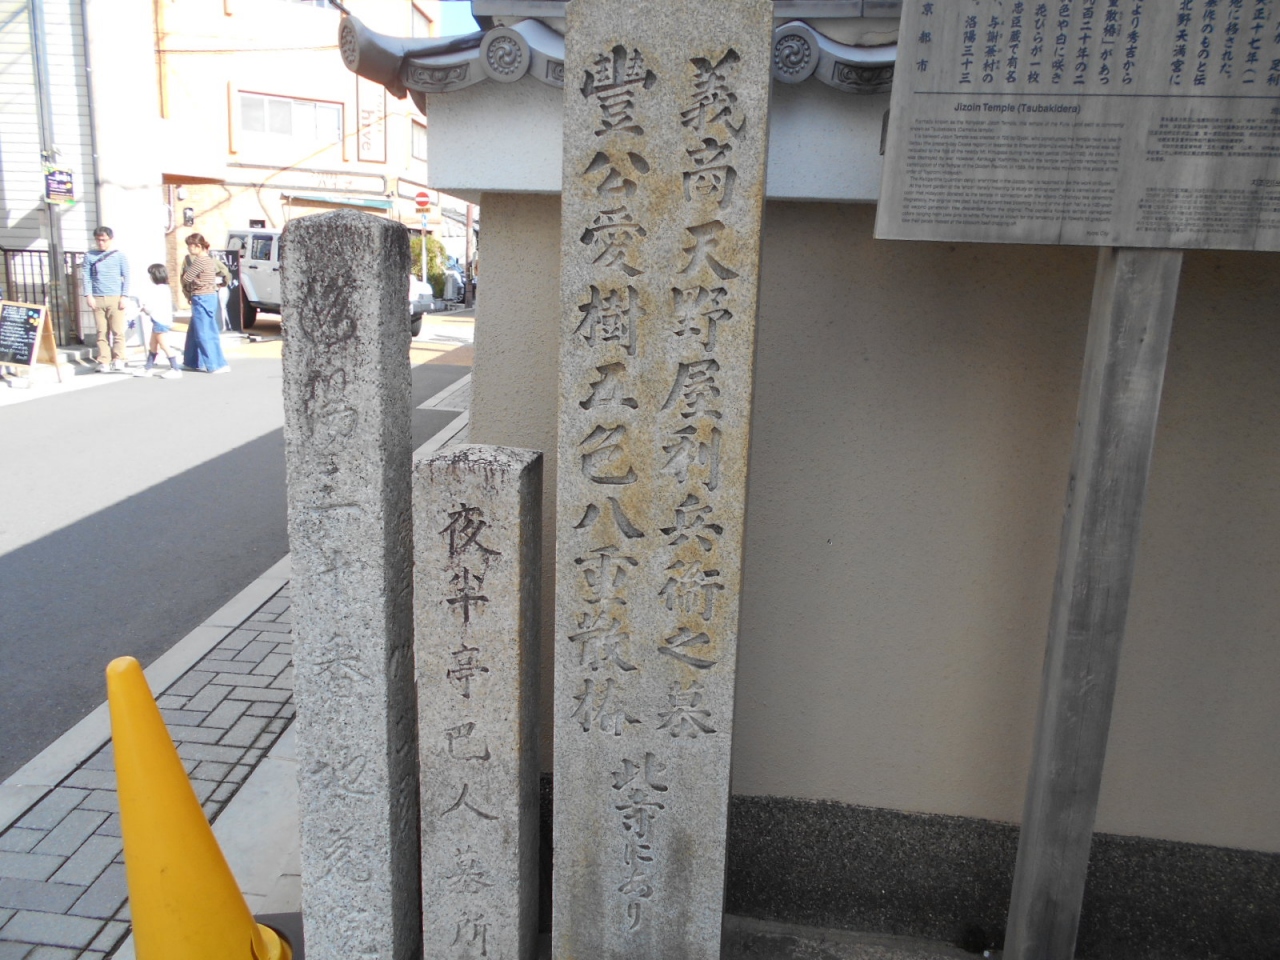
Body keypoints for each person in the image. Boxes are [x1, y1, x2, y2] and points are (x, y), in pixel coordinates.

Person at [82, 226, 131, 373]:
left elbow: (126, 276)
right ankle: (104, 360)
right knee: (101, 331)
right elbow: (86, 277)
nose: (101, 243)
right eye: (98, 240)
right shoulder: (89, 256)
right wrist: (88, 295)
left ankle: (119, 358)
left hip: (115, 297)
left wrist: (124, 296)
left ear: (110, 239)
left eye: (104, 240)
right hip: (97, 297)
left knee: (117, 330)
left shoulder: (119, 256)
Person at [180, 233, 231, 374]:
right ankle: (191, 361)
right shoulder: (209, 259)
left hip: (202, 297)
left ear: (198, 246)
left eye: (190, 246)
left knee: (205, 331)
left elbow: (186, 278)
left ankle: (216, 364)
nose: (189, 249)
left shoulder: (200, 260)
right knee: (194, 331)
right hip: (208, 295)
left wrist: (190, 287)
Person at [132, 264, 183, 379]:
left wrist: (144, 308)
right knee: (153, 344)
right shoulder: (165, 289)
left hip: (159, 321)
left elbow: (150, 307)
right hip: (163, 320)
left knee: (164, 345)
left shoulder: (156, 290)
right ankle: (148, 367)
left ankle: (175, 368)